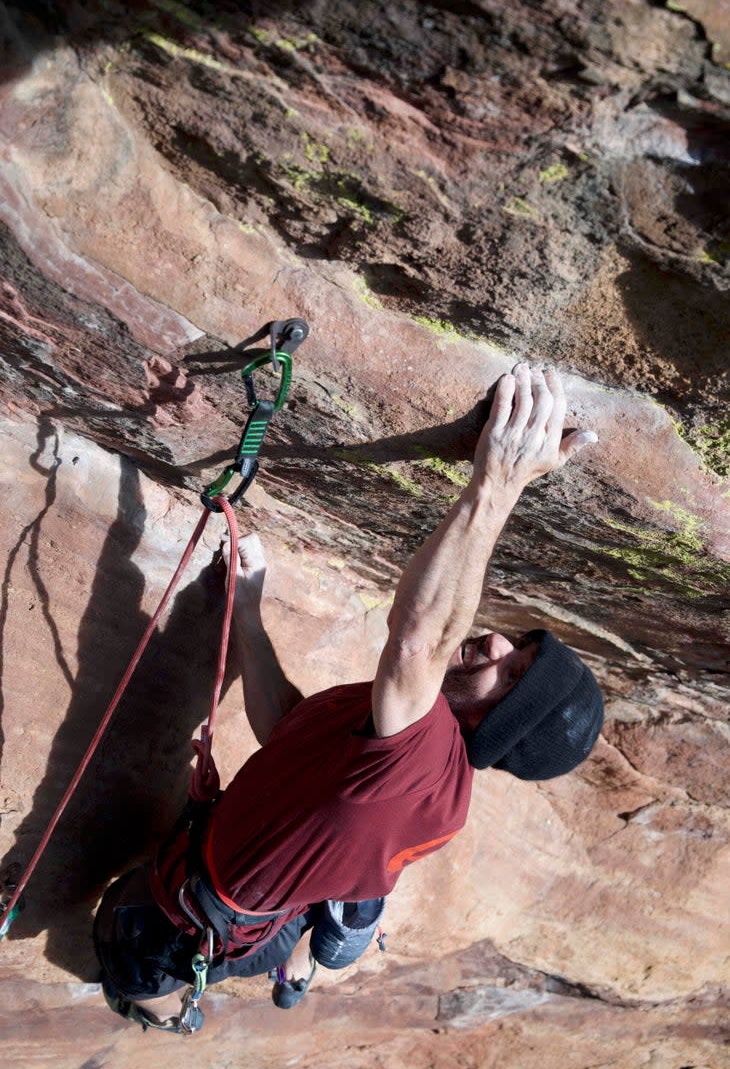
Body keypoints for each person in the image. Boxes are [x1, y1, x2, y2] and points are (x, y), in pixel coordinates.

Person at [94, 363, 603, 1032]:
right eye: (520, 647)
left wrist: (500, 479)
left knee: (129, 967)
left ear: (495, 727)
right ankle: (306, 955)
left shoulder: (422, 750)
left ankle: (179, 1014)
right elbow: (287, 729)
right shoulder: (403, 748)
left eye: (510, 679)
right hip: (269, 898)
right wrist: (246, 610)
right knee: (334, 909)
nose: (497, 647)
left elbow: (418, 637)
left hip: (204, 924)